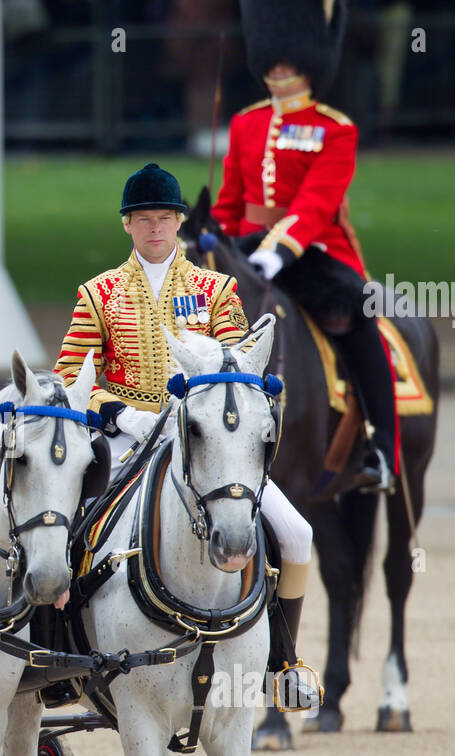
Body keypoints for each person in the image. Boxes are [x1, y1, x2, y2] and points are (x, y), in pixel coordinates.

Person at [54, 162, 316, 707]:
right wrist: (120, 414)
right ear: (127, 225)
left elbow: (240, 369)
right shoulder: (98, 294)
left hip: (204, 443)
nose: (155, 229)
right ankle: (56, 649)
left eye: (165, 219)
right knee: (59, 529)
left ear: (179, 222)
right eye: (144, 219)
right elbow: (67, 379)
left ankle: (282, 664)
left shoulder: (215, 289)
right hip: (127, 437)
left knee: (296, 535)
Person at [212, 0, 398, 494]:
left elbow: (316, 204)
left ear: (308, 60)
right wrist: (217, 245)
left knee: (359, 316)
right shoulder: (246, 124)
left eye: (287, 60)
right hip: (248, 248)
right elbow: (231, 201)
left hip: (314, 252)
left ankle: (381, 448)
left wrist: (279, 250)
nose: (278, 68)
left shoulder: (334, 129)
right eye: (272, 60)